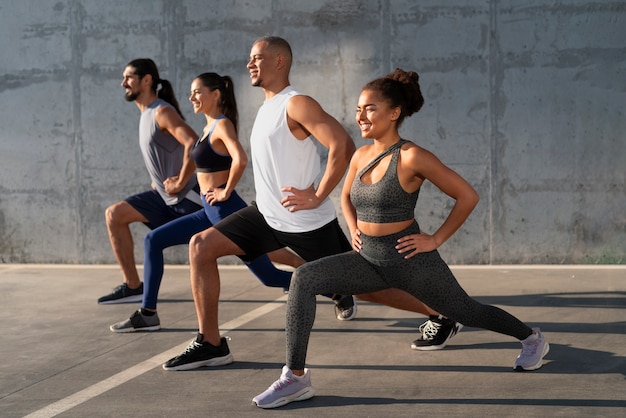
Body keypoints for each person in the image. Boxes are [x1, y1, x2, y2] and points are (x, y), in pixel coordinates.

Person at [252, 68, 550, 409]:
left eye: (370, 108)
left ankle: (531, 338)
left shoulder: (411, 156)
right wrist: (354, 229)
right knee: (305, 278)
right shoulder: (360, 155)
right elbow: (345, 197)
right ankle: (295, 376)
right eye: (358, 109)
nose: (360, 116)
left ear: (394, 113)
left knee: (468, 312)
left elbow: (467, 195)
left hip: (412, 263)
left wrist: (434, 239)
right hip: (369, 260)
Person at [160, 36, 361, 371]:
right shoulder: (267, 107)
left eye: (257, 58)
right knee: (201, 246)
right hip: (266, 215)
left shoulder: (296, 103)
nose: (249, 64)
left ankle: (438, 313)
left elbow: (342, 144)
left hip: (305, 221)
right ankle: (211, 343)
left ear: (280, 61)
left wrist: (318, 194)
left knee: (366, 285)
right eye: (249, 59)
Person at [109, 72, 308, 333]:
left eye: (197, 91)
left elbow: (241, 159)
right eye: (191, 92)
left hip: (228, 213)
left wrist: (226, 191)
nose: (192, 97)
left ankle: (334, 289)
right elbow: (195, 157)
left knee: (270, 278)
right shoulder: (207, 128)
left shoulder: (223, 125)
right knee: (153, 240)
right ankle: (148, 313)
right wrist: (174, 182)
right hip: (209, 211)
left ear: (215, 94)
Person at [98, 58, 203, 304]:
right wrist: (159, 181)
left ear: (146, 80)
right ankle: (133, 286)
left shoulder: (161, 111)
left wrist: (179, 182)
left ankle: (298, 268)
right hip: (163, 198)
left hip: (188, 199)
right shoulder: (146, 113)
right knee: (115, 214)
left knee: (247, 247)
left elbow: (194, 143)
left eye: (129, 77)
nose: (123, 82)